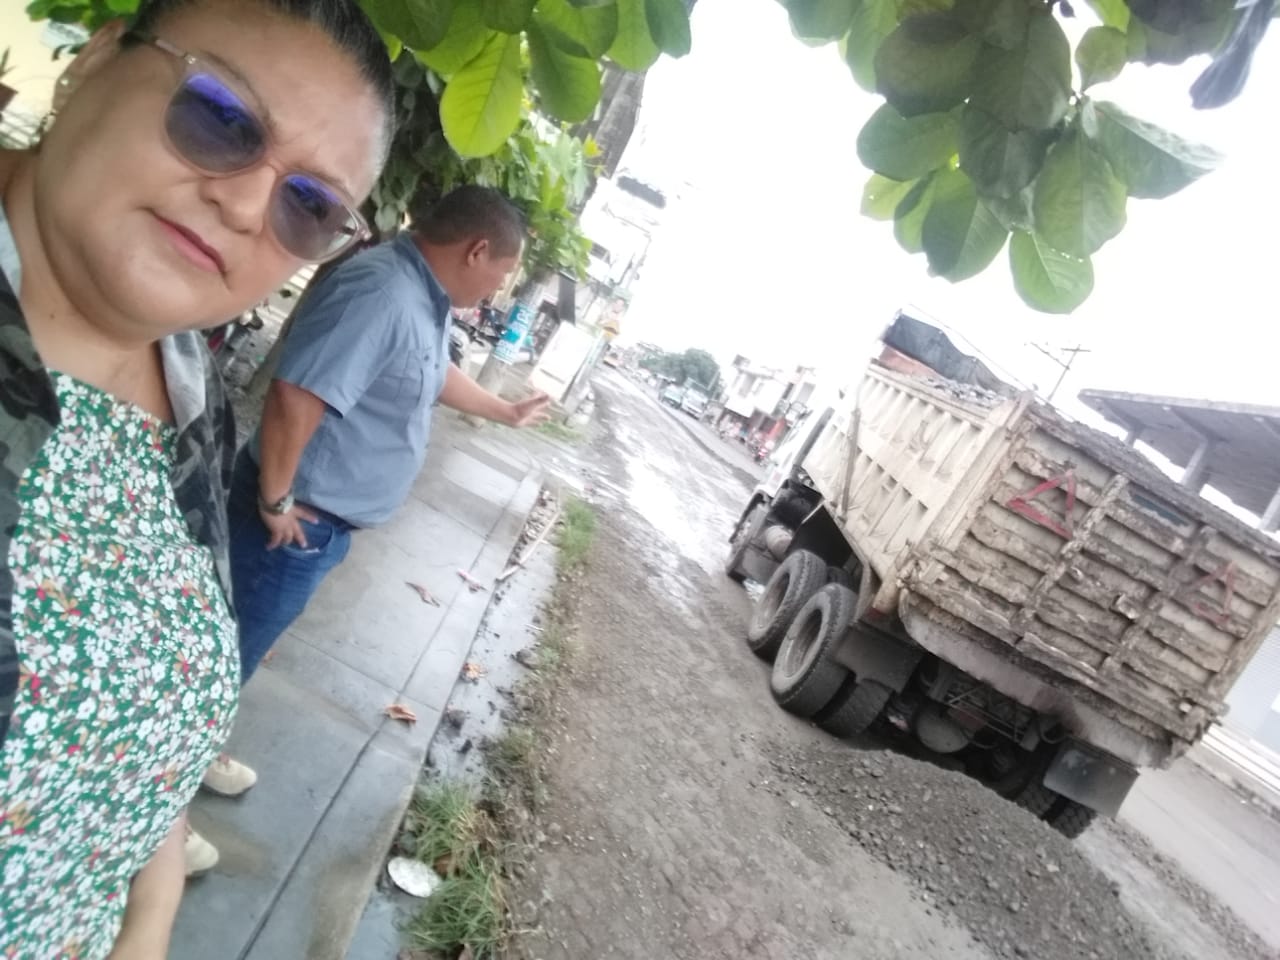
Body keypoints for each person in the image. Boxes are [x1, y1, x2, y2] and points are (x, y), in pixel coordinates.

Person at [0, 0, 395, 954]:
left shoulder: (189, 388)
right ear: (95, 61)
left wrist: (150, 912)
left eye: (310, 206)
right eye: (222, 116)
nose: (248, 205)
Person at [199, 187, 549, 841]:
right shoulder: (384, 292)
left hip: (313, 524)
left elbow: (431, 373)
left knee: (237, 649)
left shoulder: (423, 297)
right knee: (222, 655)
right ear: (477, 250)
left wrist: (504, 410)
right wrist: (276, 499)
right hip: (291, 524)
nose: (499, 290)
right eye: (503, 273)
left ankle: (190, 753)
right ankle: (159, 805)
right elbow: (297, 395)